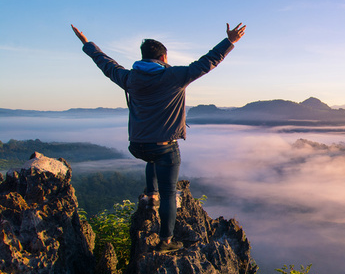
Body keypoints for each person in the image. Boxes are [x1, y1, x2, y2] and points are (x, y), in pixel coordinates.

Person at [71, 22, 246, 253]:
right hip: (163, 147)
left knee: (152, 159)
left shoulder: (129, 78)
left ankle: (150, 194)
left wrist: (87, 44)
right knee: (170, 193)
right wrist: (230, 41)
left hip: (138, 146)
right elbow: (207, 62)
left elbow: (105, 63)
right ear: (163, 56)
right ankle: (166, 240)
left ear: (143, 57)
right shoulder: (174, 76)